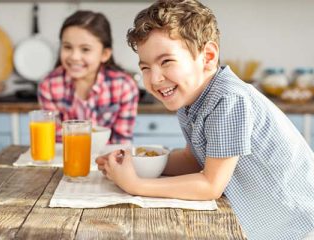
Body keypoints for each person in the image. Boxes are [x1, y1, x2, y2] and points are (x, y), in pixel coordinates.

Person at [96, 1, 314, 239]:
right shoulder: (189, 97)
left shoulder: (228, 98)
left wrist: (135, 185)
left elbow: (210, 185)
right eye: (145, 67)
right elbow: (193, 159)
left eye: (166, 61)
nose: (155, 78)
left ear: (208, 57)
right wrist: (134, 163)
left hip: (300, 227)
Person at [38, 10, 139, 144]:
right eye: (67, 47)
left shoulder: (124, 86)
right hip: (67, 159)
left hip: (107, 161)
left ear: (105, 54)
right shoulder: (48, 85)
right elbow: (55, 140)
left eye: (85, 49)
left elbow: (121, 141)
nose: (74, 56)